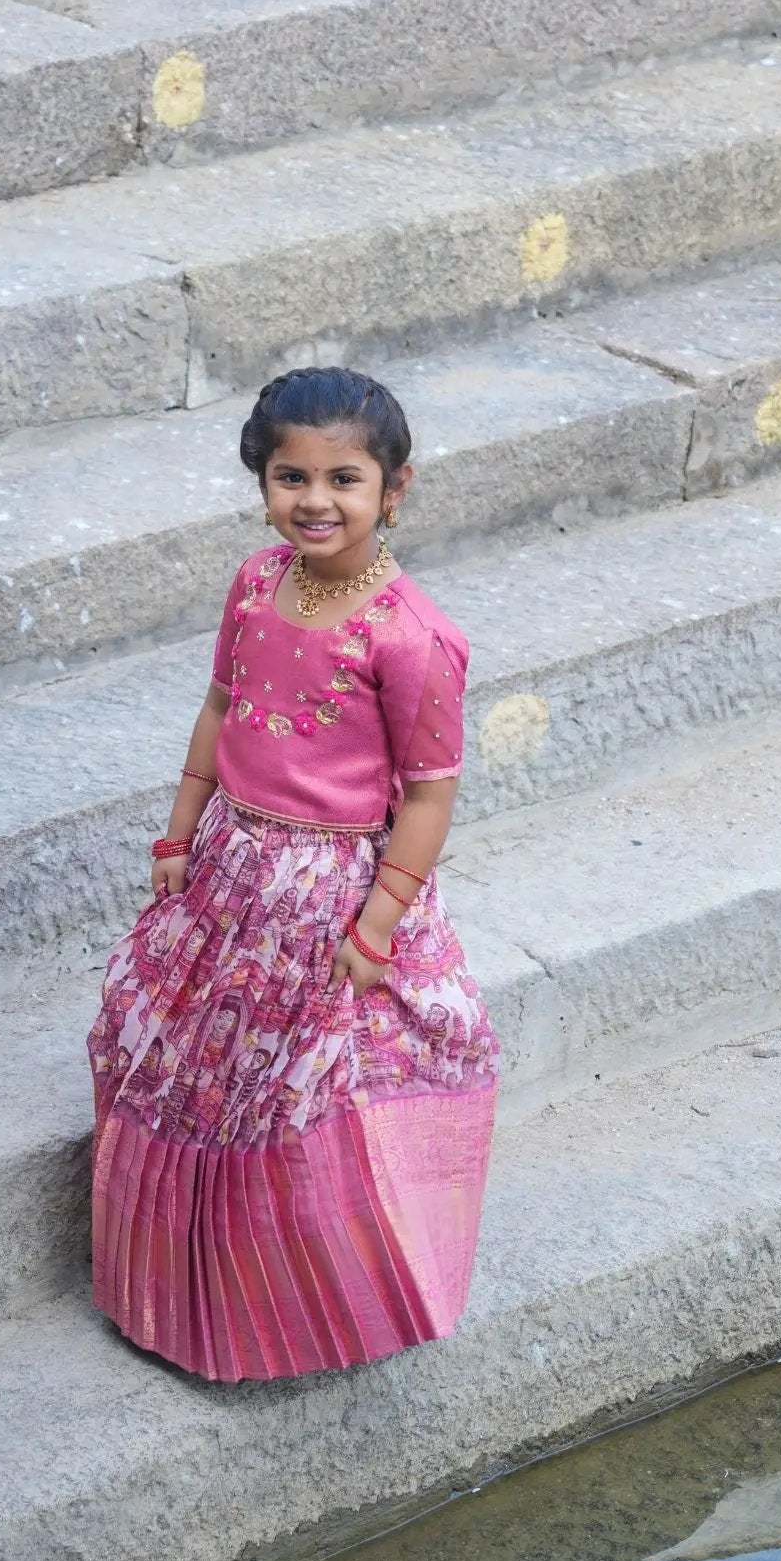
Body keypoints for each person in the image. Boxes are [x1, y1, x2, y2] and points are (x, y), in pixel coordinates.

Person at [87, 366, 500, 1382]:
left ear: (392, 490)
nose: (315, 501)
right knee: (185, 1066)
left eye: (343, 479)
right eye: (290, 476)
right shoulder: (254, 583)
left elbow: (429, 798)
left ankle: (296, 1311)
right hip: (230, 868)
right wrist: (179, 835)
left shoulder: (412, 638)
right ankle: (177, 1300)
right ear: (263, 481)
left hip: (327, 900)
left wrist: (378, 926)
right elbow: (221, 710)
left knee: (285, 1096)